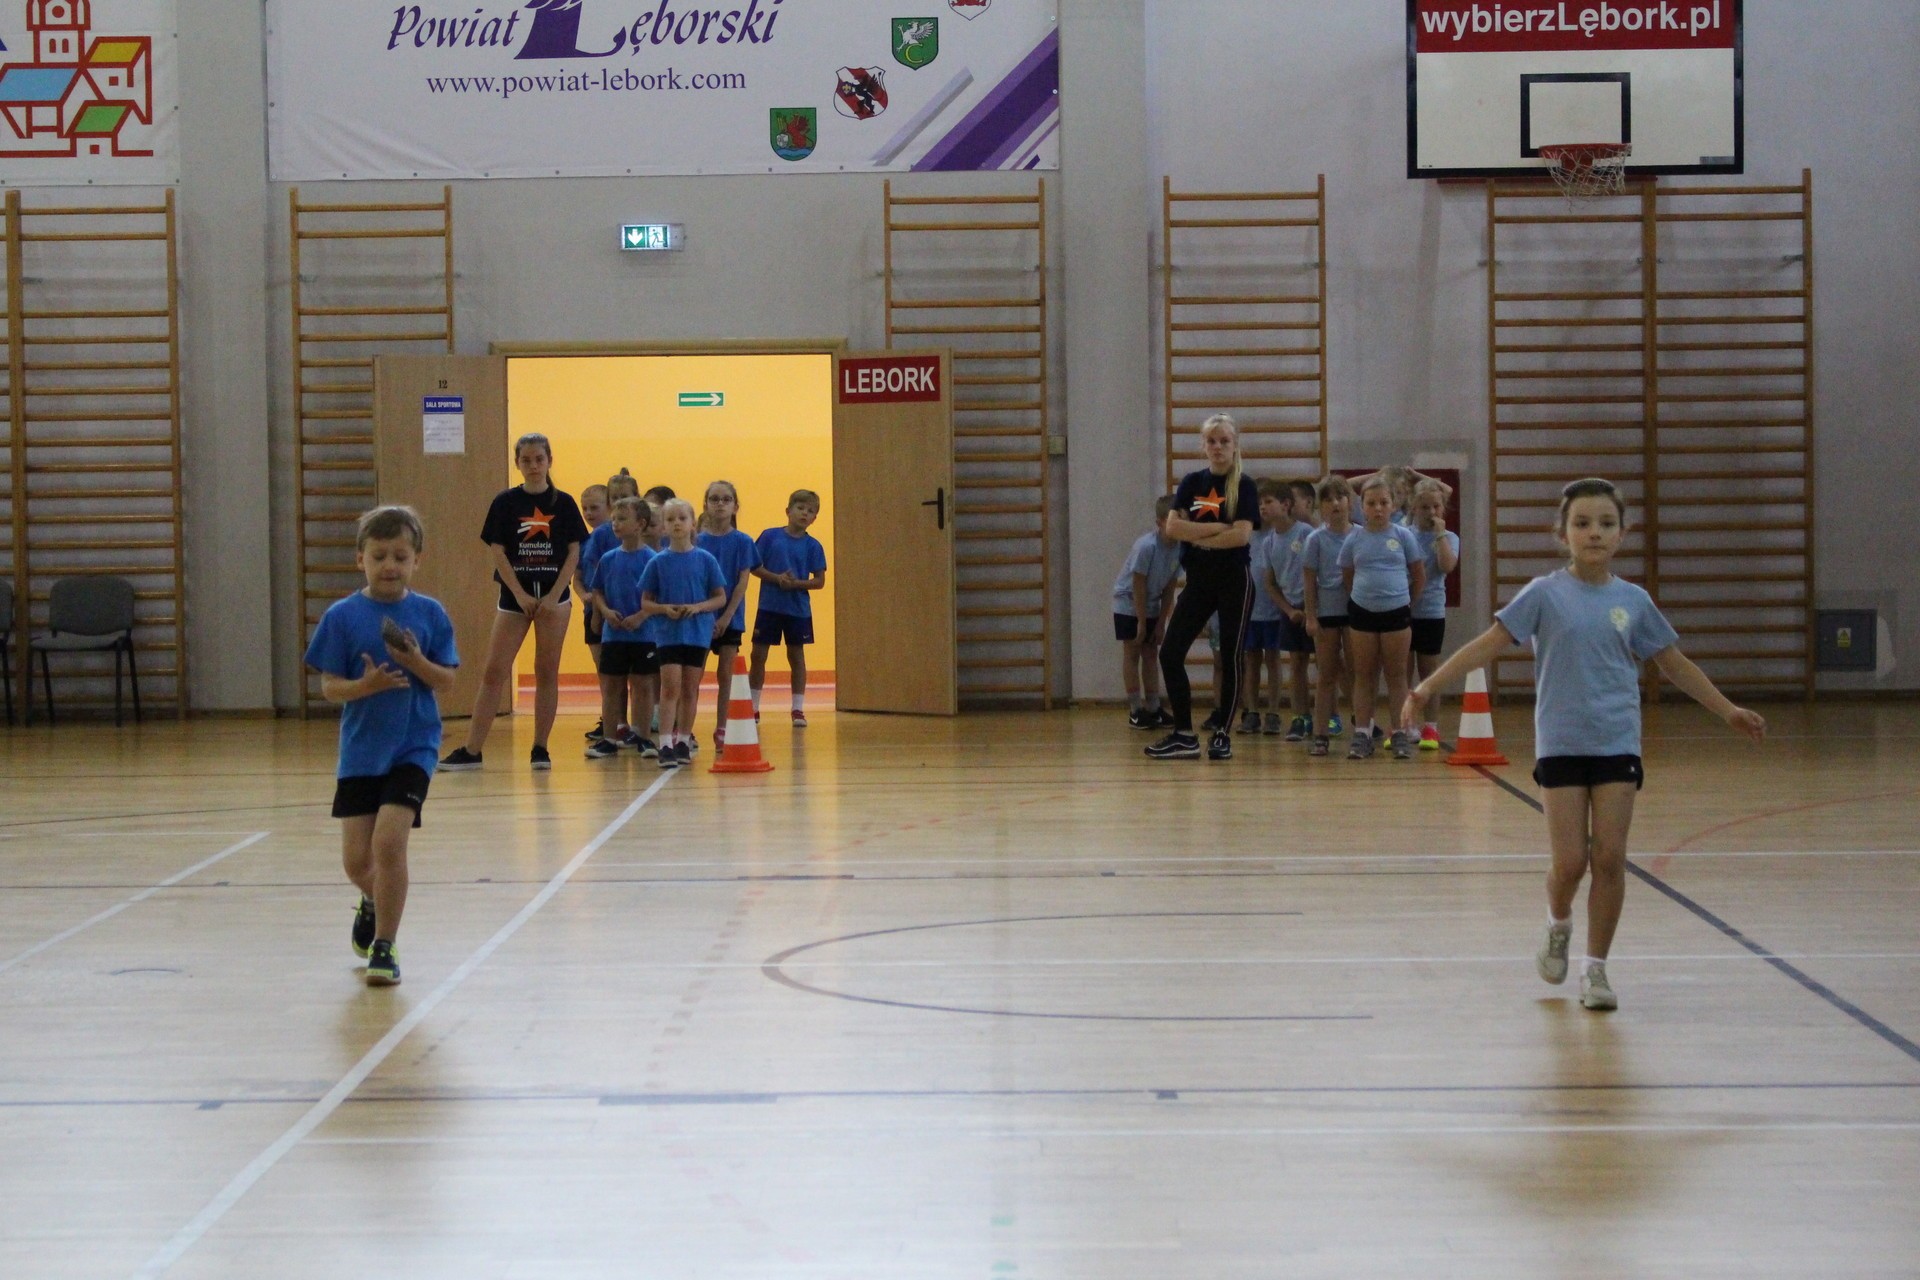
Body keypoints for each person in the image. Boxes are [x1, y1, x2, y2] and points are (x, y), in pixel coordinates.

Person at [1408, 478, 1765, 1010]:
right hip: (1561, 743)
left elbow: (1673, 663)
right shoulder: (1543, 594)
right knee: (1571, 862)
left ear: (1622, 533)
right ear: (1563, 533)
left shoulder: (1633, 601)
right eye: (1582, 523)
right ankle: (1558, 923)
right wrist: (1427, 687)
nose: (1594, 532)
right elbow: (1488, 644)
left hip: (1617, 741)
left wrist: (1727, 709)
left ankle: (1595, 969)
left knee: (1611, 858)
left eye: (1605, 523)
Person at [305, 506, 458, 987]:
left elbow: (447, 680)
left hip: (414, 745)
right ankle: (372, 898)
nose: (389, 565)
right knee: (357, 861)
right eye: (379, 556)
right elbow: (329, 686)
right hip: (361, 751)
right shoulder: (342, 617)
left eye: (400, 556)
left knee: (389, 843)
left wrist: (416, 661)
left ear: (417, 560)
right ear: (360, 560)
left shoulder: (430, 614)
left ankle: (385, 945)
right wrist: (364, 686)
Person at [441, 433, 587, 773]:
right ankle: (472, 750)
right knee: (494, 670)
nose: (533, 465)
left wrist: (554, 595)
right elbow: (498, 551)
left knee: (546, 670)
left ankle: (540, 748)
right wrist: (520, 594)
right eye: (526, 460)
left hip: (555, 598)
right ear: (517, 463)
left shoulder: (564, 504)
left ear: (549, 461)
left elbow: (574, 551)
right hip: (514, 598)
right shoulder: (505, 502)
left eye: (539, 459)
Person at [1145, 413, 1261, 763]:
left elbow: (1241, 536)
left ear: (1235, 445)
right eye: (1212, 441)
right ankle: (1184, 734)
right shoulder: (1192, 482)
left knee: (1231, 656)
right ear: (1203, 446)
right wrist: (1218, 529)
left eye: (1224, 441)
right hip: (1199, 580)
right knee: (1170, 653)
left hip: (1234, 580)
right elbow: (1173, 529)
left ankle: (1223, 733)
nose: (1218, 447)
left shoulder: (1244, 486)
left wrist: (1197, 533)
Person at [1340, 477, 1425, 761]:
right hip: (1362, 613)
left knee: (1396, 675)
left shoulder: (1404, 536)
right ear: (1362, 506)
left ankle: (1399, 732)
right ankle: (1362, 733)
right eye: (1371, 503)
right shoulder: (1354, 538)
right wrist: (1363, 597)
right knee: (1364, 675)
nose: (1378, 508)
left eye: (1383, 502)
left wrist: (1405, 602)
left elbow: (1419, 575)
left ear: (1393, 505)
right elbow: (1347, 575)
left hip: (1396, 612)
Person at [641, 498, 728, 768]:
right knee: (670, 687)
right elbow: (646, 603)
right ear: (663, 527)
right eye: (670, 519)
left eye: (682, 518)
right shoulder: (657, 562)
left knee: (691, 688)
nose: (676, 523)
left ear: (693, 524)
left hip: (697, 633)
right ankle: (665, 743)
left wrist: (698, 607)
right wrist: (664, 609)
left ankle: (683, 740)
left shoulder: (706, 560)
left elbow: (720, 597)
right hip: (668, 634)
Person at [584, 497, 658, 760]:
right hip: (613, 635)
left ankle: (643, 737)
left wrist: (641, 616)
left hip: (645, 634)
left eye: (622, 519)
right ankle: (609, 739)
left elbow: (659, 596)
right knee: (611, 686)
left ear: (640, 524)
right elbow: (597, 591)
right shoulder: (608, 559)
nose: (615, 523)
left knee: (643, 686)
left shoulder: (653, 559)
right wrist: (604, 612)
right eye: (614, 518)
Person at [750, 489, 828, 727]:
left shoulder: (814, 546)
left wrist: (796, 584)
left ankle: (797, 708)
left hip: (798, 610)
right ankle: (753, 708)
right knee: (758, 655)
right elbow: (754, 566)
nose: (805, 513)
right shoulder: (770, 537)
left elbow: (819, 581)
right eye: (800, 508)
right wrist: (777, 579)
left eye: (810, 511)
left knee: (796, 656)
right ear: (788, 511)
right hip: (769, 607)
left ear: (814, 518)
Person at [696, 479, 760, 749]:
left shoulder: (743, 541)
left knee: (726, 675)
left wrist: (725, 618)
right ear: (705, 504)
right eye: (714, 499)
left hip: (730, 617)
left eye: (726, 499)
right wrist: (706, 615)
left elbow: (742, 584)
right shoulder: (696, 541)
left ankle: (722, 728)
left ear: (735, 506)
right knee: (693, 675)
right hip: (700, 617)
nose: (720, 504)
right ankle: (683, 730)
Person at [578, 470, 640, 744]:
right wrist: (595, 610)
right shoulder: (601, 535)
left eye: (624, 497)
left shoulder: (641, 533)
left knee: (637, 674)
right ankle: (616, 721)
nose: (619, 502)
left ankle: (639, 725)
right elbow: (590, 577)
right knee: (609, 673)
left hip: (632, 613)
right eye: (614, 498)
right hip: (602, 612)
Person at [1113, 495, 1182, 730]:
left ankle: (1154, 708)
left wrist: (1161, 622)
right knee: (1132, 652)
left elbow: (1170, 587)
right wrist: (1142, 623)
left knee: (1151, 653)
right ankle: (1135, 710)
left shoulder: (1179, 549)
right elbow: (1138, 584)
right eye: (1172, 519)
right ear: (1160, 522)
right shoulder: (1146, 547)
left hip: (1151, 602)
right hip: (1129, 602)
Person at [1302, 475, 1356, 757]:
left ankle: (1363, 727)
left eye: (1340, 497)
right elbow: (1309, 581)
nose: (1335, 504)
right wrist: (1311, 616)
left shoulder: (1360, 535)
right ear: (1321, 507)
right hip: (1327, 613)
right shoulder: (1316, 539)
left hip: (1355, 613)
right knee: (1326, 674)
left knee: (1358, 674)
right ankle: (1320, 734)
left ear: (1349, 502)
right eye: (1328, 499)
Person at [1407, 478, 1460, 750]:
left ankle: (1431, 726)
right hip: (1403, 610)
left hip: (1431, 611)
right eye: (1425, 507)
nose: (1431, 512)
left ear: (1443, 508)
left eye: (1436, 507)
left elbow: (1447, 566)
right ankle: (1405, 724)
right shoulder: (1404, 534)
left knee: (1429, 671)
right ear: (1414, 508)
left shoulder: (1450, 538)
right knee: (1402, 672)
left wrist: (1440, 535)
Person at [1242, 479, 1291, 735]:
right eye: (1256, 503)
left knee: (1273, 659)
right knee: (1251, 661)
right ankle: (1251, 712)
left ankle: (1273, 712)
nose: (1261, 508)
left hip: (1273, 609)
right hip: (1248, 609)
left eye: (1266, 502)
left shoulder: (1278, 535)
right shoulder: (1245, 534)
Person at [1274, 480, 1320, 741]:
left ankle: (1335, 717)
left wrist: (1312, 609)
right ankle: (1300, 717)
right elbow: (1270, 582)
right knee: (1297, 663)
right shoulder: (1273, 538)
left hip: (1317, 606)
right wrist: (1290, 609)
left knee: (1329, 665)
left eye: (1293, 499)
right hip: (1291, 608)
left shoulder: (1311, 532)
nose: (1289, 505)